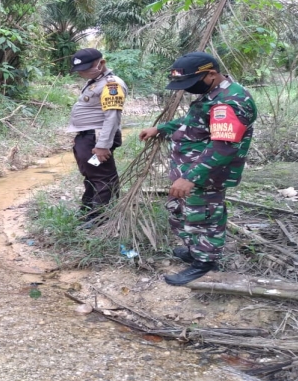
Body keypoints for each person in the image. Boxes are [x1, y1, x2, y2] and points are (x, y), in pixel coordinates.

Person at [139, 52, 257, 286]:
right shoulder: (213, 94)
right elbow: (194, 123)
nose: (188, 89)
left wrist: (191, 177)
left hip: (207, 175)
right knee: (186, 214)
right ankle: (195, 251)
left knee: (205, 218)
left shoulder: (230, 100)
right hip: (192, 172)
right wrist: (161, 128)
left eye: (191, 83)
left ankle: (205, 262)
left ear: (211, 74)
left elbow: (224, 146)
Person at [65, 48, 127, 224]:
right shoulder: (95, 82)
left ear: (102, 63)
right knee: (93, 173)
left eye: (86, 67)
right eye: (80, 69)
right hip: (89, 137)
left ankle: (100, 217)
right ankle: (88, 210)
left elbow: (112, 116)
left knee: (102, 176)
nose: (82, 72)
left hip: (97, 138)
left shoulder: (111, 85)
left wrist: (102, 145)